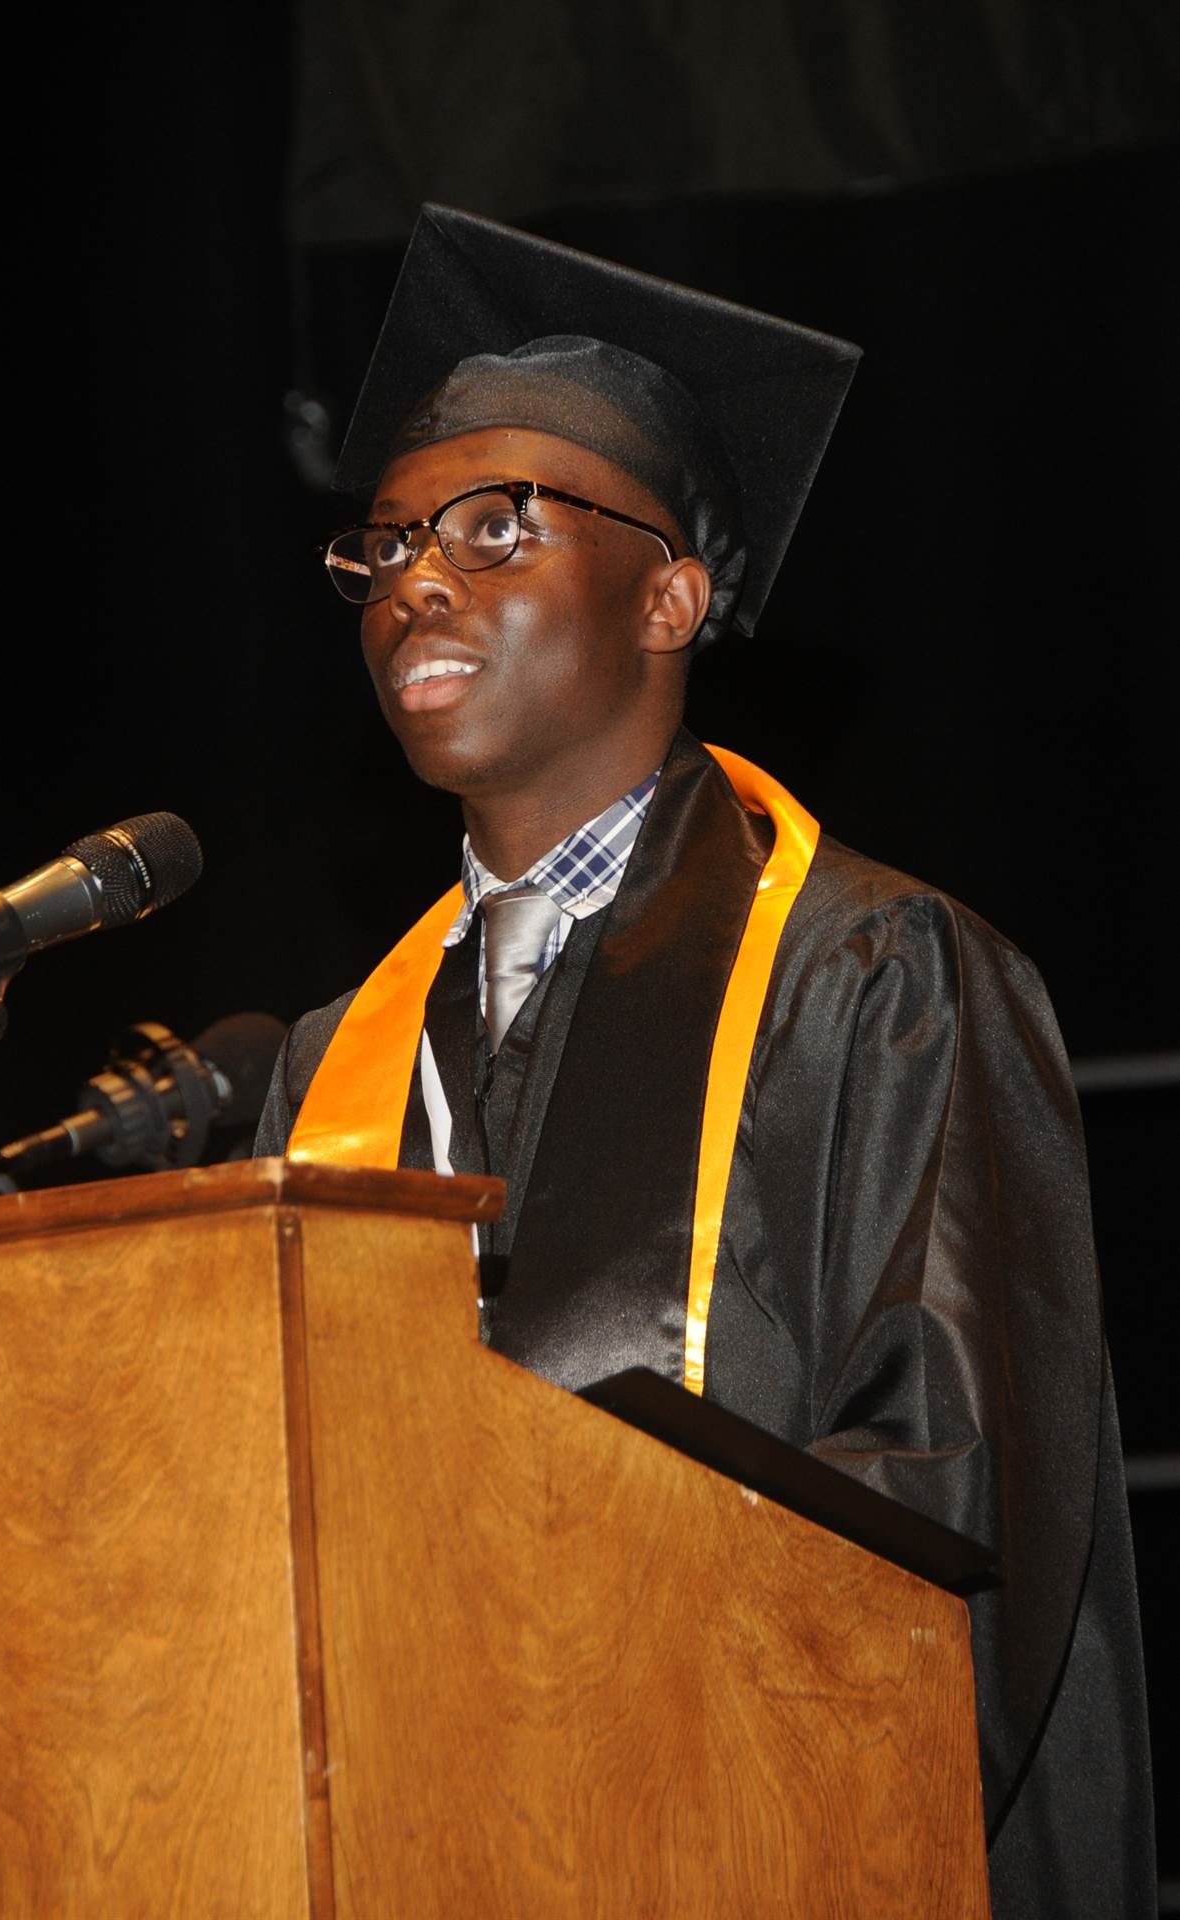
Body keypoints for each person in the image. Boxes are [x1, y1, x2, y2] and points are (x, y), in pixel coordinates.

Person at [256, 205, 1154, 1916]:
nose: (416, 580)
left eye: (494, 528)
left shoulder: (881, 978)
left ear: (672, 596)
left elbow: (952, 1515)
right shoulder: (330, 1063)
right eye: (382, 547)